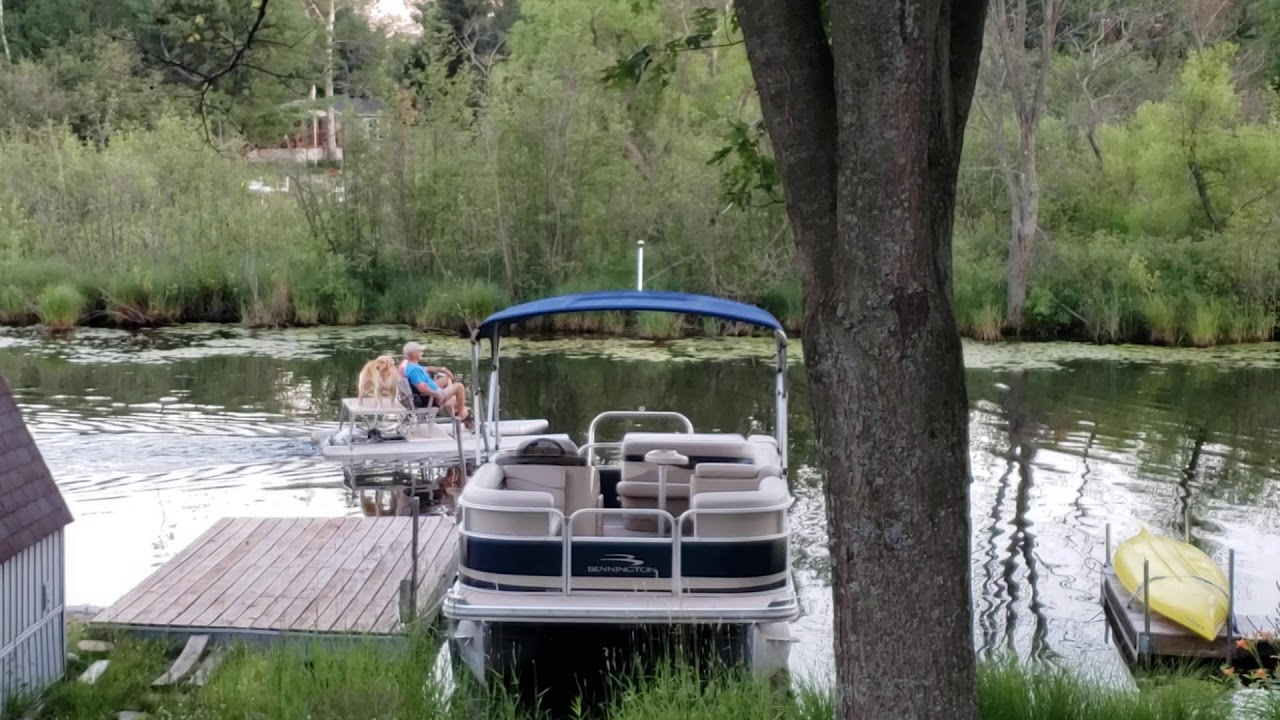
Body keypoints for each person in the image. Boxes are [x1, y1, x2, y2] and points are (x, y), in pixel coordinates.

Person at [399, 341, 473, 429]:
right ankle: (462, 415)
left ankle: (456, 404)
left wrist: (443, 369)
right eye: (420, 351)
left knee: (447, 379)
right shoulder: (415, 371)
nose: (422, 353)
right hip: (431, 398)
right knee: (459, 386)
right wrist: (437, 394)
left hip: (429, 394)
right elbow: (422, 389)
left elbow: (427, 369)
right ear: (414, 354)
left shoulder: (411, 366)